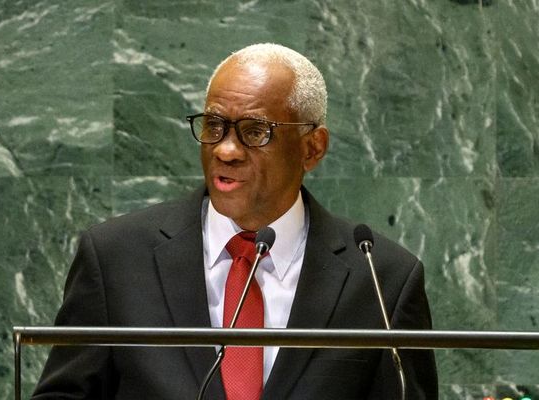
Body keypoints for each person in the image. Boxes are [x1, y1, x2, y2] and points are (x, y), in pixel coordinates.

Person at [32, 43, 438, 399]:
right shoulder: (116, 258)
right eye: (214, 126)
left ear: (312, 149)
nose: (226, 151)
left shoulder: (383, 280)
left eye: (254, 131)